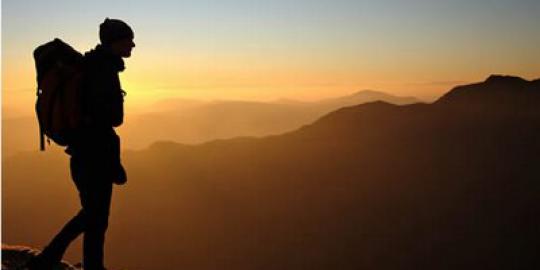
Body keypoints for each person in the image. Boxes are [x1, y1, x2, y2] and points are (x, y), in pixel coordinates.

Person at [27, 18, 135, 270]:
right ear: (114, 42)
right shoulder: (102, 70)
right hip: (93, 155)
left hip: (85, 154)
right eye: (128, 39)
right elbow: (111, 118)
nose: (133, 44)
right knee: (94, 215)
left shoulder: (92, 66)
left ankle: (86, 264)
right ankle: (49, 257)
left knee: (95, 217)